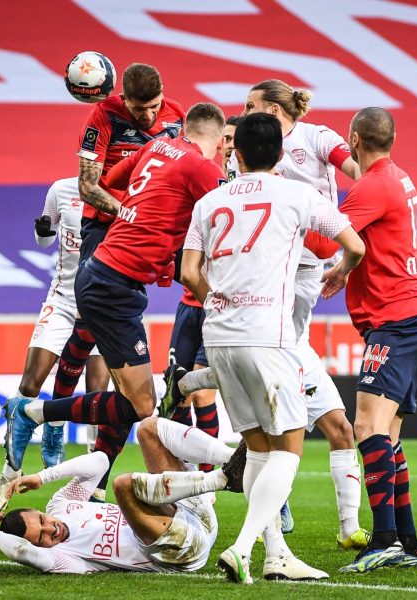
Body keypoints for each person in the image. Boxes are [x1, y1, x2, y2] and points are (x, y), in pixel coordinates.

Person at [180, 112, 366, 584]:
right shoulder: (298, 194)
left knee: (258, 448)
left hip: (219, 336)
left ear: (234, 153)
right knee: (289, 445)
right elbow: (355, 244)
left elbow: (188, 272)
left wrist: (218, 301)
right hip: (269, 336)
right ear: (281, 153)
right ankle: (242, 547)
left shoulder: (209, 202)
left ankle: (275, 556)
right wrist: (342, 269)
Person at [3, 103, 226, 481]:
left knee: (132, 401)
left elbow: (107, 184)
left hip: (101, 272)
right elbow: (226, 221)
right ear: (219, 140)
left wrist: (144, 218)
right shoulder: (203, 167)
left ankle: (90, 486)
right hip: (113, 286)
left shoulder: (156, 148)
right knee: (142, 404)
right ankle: (31, 414)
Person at [301, 108, 417, 574]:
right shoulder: (398, 178)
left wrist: (288, 214)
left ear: (355, 140)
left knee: (368, 428)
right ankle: (407, 543)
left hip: (396, 320)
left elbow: (326, 239)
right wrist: (346, 268)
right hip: (413, 315)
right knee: (389, 437)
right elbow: (367, 243)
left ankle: (383, 540)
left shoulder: (370, 187)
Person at [51, 63, 187, 500]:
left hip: (143, 238)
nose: (147, 117)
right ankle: (51, 425)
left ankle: (86, 479)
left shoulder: (176, 117)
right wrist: (128, 212)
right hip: (106, 229)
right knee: (94, 326)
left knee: (129, 383)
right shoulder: (103, 117)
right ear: (123, 99)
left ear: (162, 94)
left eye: (152, 107)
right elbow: (88, 187)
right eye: (138, 108)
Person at [0, 177, 110, 514]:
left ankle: (91, 490)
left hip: (103, 304)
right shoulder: (61, 190)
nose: (92, 165)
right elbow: (44, 241)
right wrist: (42, 230)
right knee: (28, 384)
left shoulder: (122, 189)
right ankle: (9, 472)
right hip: (63, 300)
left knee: (98, 398)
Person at [0, 415, 242, 574]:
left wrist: (43, 477)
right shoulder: (63, 558)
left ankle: (233, 459)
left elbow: (99, 461)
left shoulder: (60, 505)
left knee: (148, 429)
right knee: (122, 486)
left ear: (39, 511)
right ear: (38, 546)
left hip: (196, 515)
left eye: (41, 521)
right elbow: (22, 553)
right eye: (40, 538)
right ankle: (220, 479)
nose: (49, 529)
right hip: (182, 550)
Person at [164, 116, 243, 472]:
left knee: (202, 392)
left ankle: (210, 481)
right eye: (223, 137)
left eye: (232, 139)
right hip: (189, 306)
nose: (226, 144)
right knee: (176, 396)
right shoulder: (201, 178)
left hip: (219, 307)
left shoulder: (249, 190)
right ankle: (188, 479)